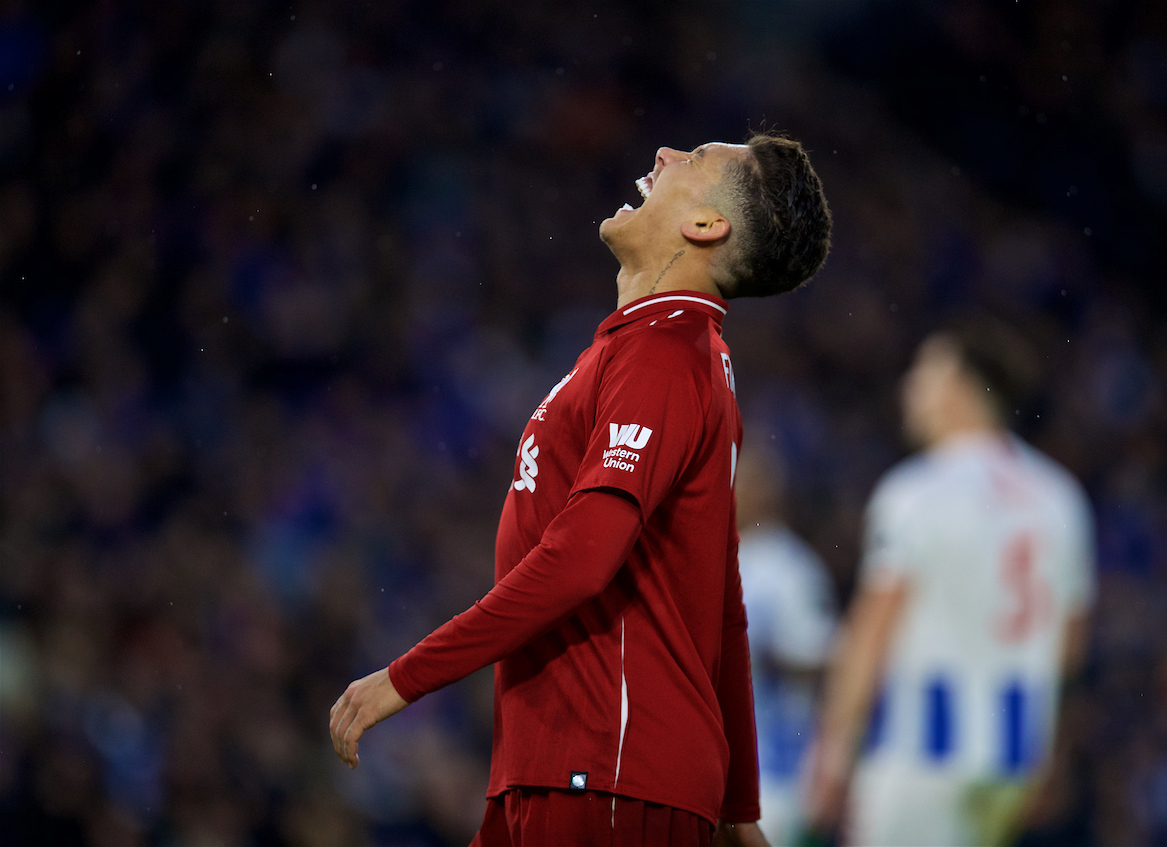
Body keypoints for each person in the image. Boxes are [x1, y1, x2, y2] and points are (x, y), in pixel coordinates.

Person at [330, 134, 832, 847]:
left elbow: (580, 559)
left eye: (690, 160)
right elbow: (721, 608)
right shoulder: (666, 352)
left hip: (605, 773)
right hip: (563, 768)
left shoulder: (666, 353)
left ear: (706, 226)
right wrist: (739, 810)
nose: (663, 154)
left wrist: (406, 677)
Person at [806, 320, 1096, 847]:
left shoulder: (917, 492)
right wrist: (1051, 744)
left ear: (962, 386)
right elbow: (1070, 643)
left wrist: (833, 750)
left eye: (925, 372)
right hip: (1014, 753)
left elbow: (873, 631)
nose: (909, 389)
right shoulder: (1059, 497)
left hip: (924, 749)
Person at [734, 442, 838, 845]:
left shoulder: (790, 568)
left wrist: (775, 656)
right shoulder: (716, 558)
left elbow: (825, 661)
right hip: (721, 771)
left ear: (767, 491)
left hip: (778, 774)